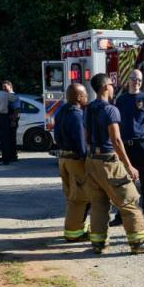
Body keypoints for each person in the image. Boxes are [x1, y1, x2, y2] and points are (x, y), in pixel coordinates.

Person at [84, 73, 144, 254]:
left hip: (92, 161)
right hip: (108, 160)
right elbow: (116, 140)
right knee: (129, 199)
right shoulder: (111, 110)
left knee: (99, 203)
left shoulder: (89, 108)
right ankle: (139, 242)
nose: (113, 87)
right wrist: (128, 165)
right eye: (111, 84)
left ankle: (99, 244)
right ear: (104, 88)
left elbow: (86, 135)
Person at [109, 70, 144, 227]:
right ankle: (120, 215)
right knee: (122, 182)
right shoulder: (121, 100)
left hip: (141, 145)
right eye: (134, 79)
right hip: (125, 146)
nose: (137, 81)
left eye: (139, 79)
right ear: (128, 81)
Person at [54, 83, 90, 242]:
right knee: (80, 198)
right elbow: (81, 142)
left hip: (63, 159)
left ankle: (76, 228)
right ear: (79, 97)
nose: (87, 98)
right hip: (75, 160)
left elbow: (56, 137)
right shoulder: (77, 115)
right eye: (85, 95)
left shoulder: (60, 111)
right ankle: (74, 233)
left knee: (70, 196)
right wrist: (86, 159)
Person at [2, 80, 20, 162]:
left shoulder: (14, 96)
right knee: (5, 139)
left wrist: (13, 120)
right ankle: (6, 156)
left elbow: (16, 110)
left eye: (5, 87)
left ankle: (13, 156)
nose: (3, 88)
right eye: (3, 87)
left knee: (12, 139)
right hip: (5, 120)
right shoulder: (4, 96)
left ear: (10, 86)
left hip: (12, 120)